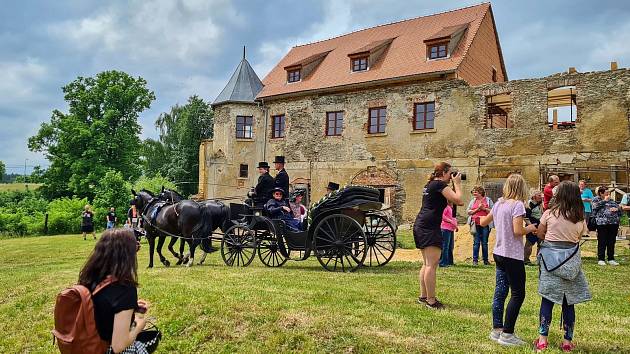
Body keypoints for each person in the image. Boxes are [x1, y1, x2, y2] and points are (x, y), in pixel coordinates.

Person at [79, 228, 160, 353]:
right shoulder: (124, 289)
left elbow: (101, 307)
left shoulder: (89, 279)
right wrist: (140, 324)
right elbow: (119, 345)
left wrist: (130, 306)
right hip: (105, 348)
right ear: (127, 255)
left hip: (86, 344)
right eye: (135, 248)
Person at [533, 181, 591, 353]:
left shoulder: (550, 213)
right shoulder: (579, 216)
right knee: (569, 301)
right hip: (571, 262)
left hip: (550, 260)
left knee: (548, 298)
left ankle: (543, 339)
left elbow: (541, 233)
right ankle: (567, 341)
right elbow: (581, 235)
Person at [480, 173, 537, 346]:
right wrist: (531, 227)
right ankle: (508, 334)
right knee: (518, 294)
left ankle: (497, 329)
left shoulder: (499, 203)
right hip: (512, 255)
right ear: (522, 188)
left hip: (499, 252)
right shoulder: (518, 205)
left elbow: (483, 222)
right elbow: (518, 231)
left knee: (501, 291)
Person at [413, 162, 463, 309]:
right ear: (444, 173)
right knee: (431, 264)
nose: (451, 176)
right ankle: (431, 300)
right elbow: (459, 201)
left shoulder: (430, 185)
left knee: (427, 263)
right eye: (450, 173)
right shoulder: (439, 185)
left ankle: (424, 296)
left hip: (422, 225)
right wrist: (458, 184)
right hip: (429, 227)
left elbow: (448, 201)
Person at [592, 186, 622, 266]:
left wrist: (617, 209)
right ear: (601, 193)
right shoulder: (596, 199)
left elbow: (619, 208)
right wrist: (605, 201)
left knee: (611, 241)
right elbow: (594, 207)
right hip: (602, 224)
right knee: (602, 241)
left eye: (609, 192)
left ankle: (611, 258)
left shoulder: (612, 200)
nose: (608, 194)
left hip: (613, 223)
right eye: (606, 192)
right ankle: (601, 259)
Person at [467, 186, 493, 265]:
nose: (474, 193)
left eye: (476, 192)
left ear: (481, 192)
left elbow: (493, 211)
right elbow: (468, 211)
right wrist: (477, 209)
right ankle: (475, 261)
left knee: (484, 243)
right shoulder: (472, 201)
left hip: (485, 223)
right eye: (473, 192)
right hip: (475, 224)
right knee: (476, 242)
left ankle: (485, 260)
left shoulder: (488, 200)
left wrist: (484, 209)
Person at [524, 190, 543, 265]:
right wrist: (531, 227)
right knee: (529, 243)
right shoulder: (529, 204)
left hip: (539, 225)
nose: (540, 197)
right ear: (534, 196)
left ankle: (539, 259)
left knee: (541, 243)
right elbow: (526, 218)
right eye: (539, 195)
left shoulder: (540, 204)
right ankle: (526, 260)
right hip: (531, 225)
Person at [439, 201, 457, 267]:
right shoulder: (445, 207)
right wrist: (450, 221)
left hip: (451, 229)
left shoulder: (451, 208)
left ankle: (450, 262)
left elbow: (453, 218)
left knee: (450, 246)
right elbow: (442, 216)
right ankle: (443, 262)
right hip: (445, 228)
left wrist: (455, 226)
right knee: (445, 246)